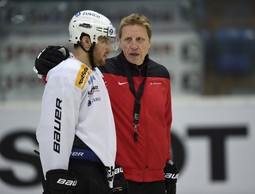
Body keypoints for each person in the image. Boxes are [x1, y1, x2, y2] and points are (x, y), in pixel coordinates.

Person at [34, 13, 179, 194]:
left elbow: (164, 125)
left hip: (142, 177)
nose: (134, 45)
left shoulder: (160, 75)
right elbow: (60, 108)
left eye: (140, 39)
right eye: (127, 39)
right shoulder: (100, 71)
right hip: (105, 174)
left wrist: (166, 163)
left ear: (150, 41)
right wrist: (43, 68)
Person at [34, 10, 117, 194]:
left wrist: (112, 169)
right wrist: (55, 173)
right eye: (104, 41)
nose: (109, 48)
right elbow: (56, 125)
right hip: (77, 174)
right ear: (86, 41)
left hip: (95, 174)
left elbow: (98, 129)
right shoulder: (67, 73)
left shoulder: (92, 72)